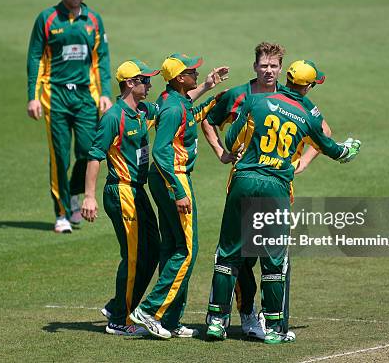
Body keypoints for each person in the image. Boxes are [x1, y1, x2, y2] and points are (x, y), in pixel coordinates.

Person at [206, 59, 361, 344]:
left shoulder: (257, 101)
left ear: (286, 78)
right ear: (309, 86)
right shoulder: (308, 113)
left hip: (243, 181)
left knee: (228, 254)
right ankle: (275, 330)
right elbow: (332, 149)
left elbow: (231, 140)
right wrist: (349, 149)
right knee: (274, 260)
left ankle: (217, 321)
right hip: (275, 187)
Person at [129, 54, 229, 339]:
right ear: (178, 79)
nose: (195, 74)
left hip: (165, 180)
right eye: (191, 72)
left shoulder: (172, 99)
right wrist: (178, 191)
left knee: (172, 247)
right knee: (186, 250)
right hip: (173, 178)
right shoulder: (173, 108)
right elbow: (161, 151)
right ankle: (149, 310)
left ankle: (170, 320)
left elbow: (190, 115)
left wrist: (211, 92)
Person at [201, 41, 287, 340]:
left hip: (275, 189)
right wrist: (222, 153)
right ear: (255, 66)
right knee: (239, 257)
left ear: (280, 68)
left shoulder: (288, 98)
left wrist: (299, 161)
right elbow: (208, 120)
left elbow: (322, 129)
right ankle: (242, 316)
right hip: (243, 184)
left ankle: (261, 318)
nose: (268, 71)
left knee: (264, 256)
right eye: (263, 65)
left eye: (273, 66)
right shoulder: (238, 95)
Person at [26, 0, 112, 233]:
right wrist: (33, 97)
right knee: (60, 157)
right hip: (56, 96)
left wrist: (105, 93)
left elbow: (101, 60)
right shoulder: (47, 18)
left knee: (89, 151)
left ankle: (74, 192)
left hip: (86, 96)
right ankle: (62, 212)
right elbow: (35, 58)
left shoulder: (93, 20)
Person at [81, 59, 162, 336]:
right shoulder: (114, 117)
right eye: (145, 81)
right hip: (122, 191)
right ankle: (119, 320)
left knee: (154, 250)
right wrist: (88, 197)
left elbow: (175, 107)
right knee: (133, 256)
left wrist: (206, 86)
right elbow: (94, 157)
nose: (150, 85)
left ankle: (118, 305)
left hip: (139, 192)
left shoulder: (142, 111)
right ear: (130, 84)